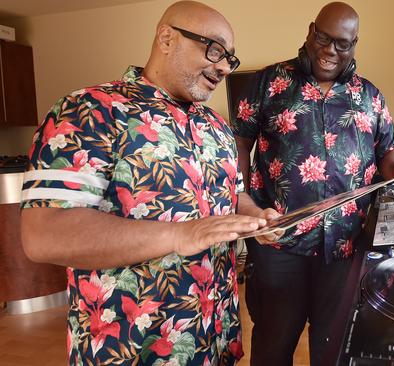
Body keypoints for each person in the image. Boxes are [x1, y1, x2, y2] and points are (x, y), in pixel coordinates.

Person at [20, 2, 275, 365]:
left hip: (215, 339)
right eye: (214, 49)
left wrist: (256, 218)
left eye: (229, 58)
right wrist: (178, 235)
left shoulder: (217, 126)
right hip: (130, 348)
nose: (222, 66)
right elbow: (43, 233)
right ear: (167, 38)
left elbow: (233, 194)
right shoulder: (87, 110)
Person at [232, 2, 394, 365]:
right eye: (323, 38)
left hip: (343, 248)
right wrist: (242, 196)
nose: (329, 50)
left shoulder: (370, 96)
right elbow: (241, 144)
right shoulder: (267, 82)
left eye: (342, 43)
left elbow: (389, 152)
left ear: (355, 43)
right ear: (311, 30)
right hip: (279, 245)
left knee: (333, 346)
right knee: (273, 344)